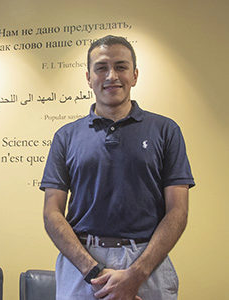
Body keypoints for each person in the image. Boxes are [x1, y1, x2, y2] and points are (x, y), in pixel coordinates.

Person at [40, 35, 195, 300]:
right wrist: (94, 272)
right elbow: (52, 213)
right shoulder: (65, 137)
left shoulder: (166, 131)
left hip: (148, 265)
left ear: (134, 75)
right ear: (88, 78)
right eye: (101, 68)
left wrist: (136, 275)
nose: (112, 75)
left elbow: (178, 212)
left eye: (121, 67)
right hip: (81, 266)